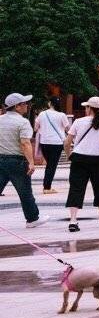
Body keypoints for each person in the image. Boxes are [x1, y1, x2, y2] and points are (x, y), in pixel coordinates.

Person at [64, 96, 99, 232]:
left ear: (89, 108)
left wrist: (69, 155)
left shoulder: (78, 121)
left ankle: (73, 221)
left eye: (86, 107)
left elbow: (67, 142)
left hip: (79, 159)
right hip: (98, 160)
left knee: (76, 188)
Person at [0, 93, 42, 226]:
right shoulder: (23, 122)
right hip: (17, 161)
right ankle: (32, 219)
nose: (27, 105)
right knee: (25, 192)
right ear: (17, 107)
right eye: (24, 103)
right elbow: (25, 143)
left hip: (1, 159)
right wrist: (31, 162)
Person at [33, 100, 69, 194]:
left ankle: (47, 185)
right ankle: (47, 187)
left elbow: (35, 128)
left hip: (44, 143)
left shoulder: (42, 114)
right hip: (57, 143)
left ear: (50, 104)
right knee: (51, 165)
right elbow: (68, 129)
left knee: (50, 164)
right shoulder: (62, 115)